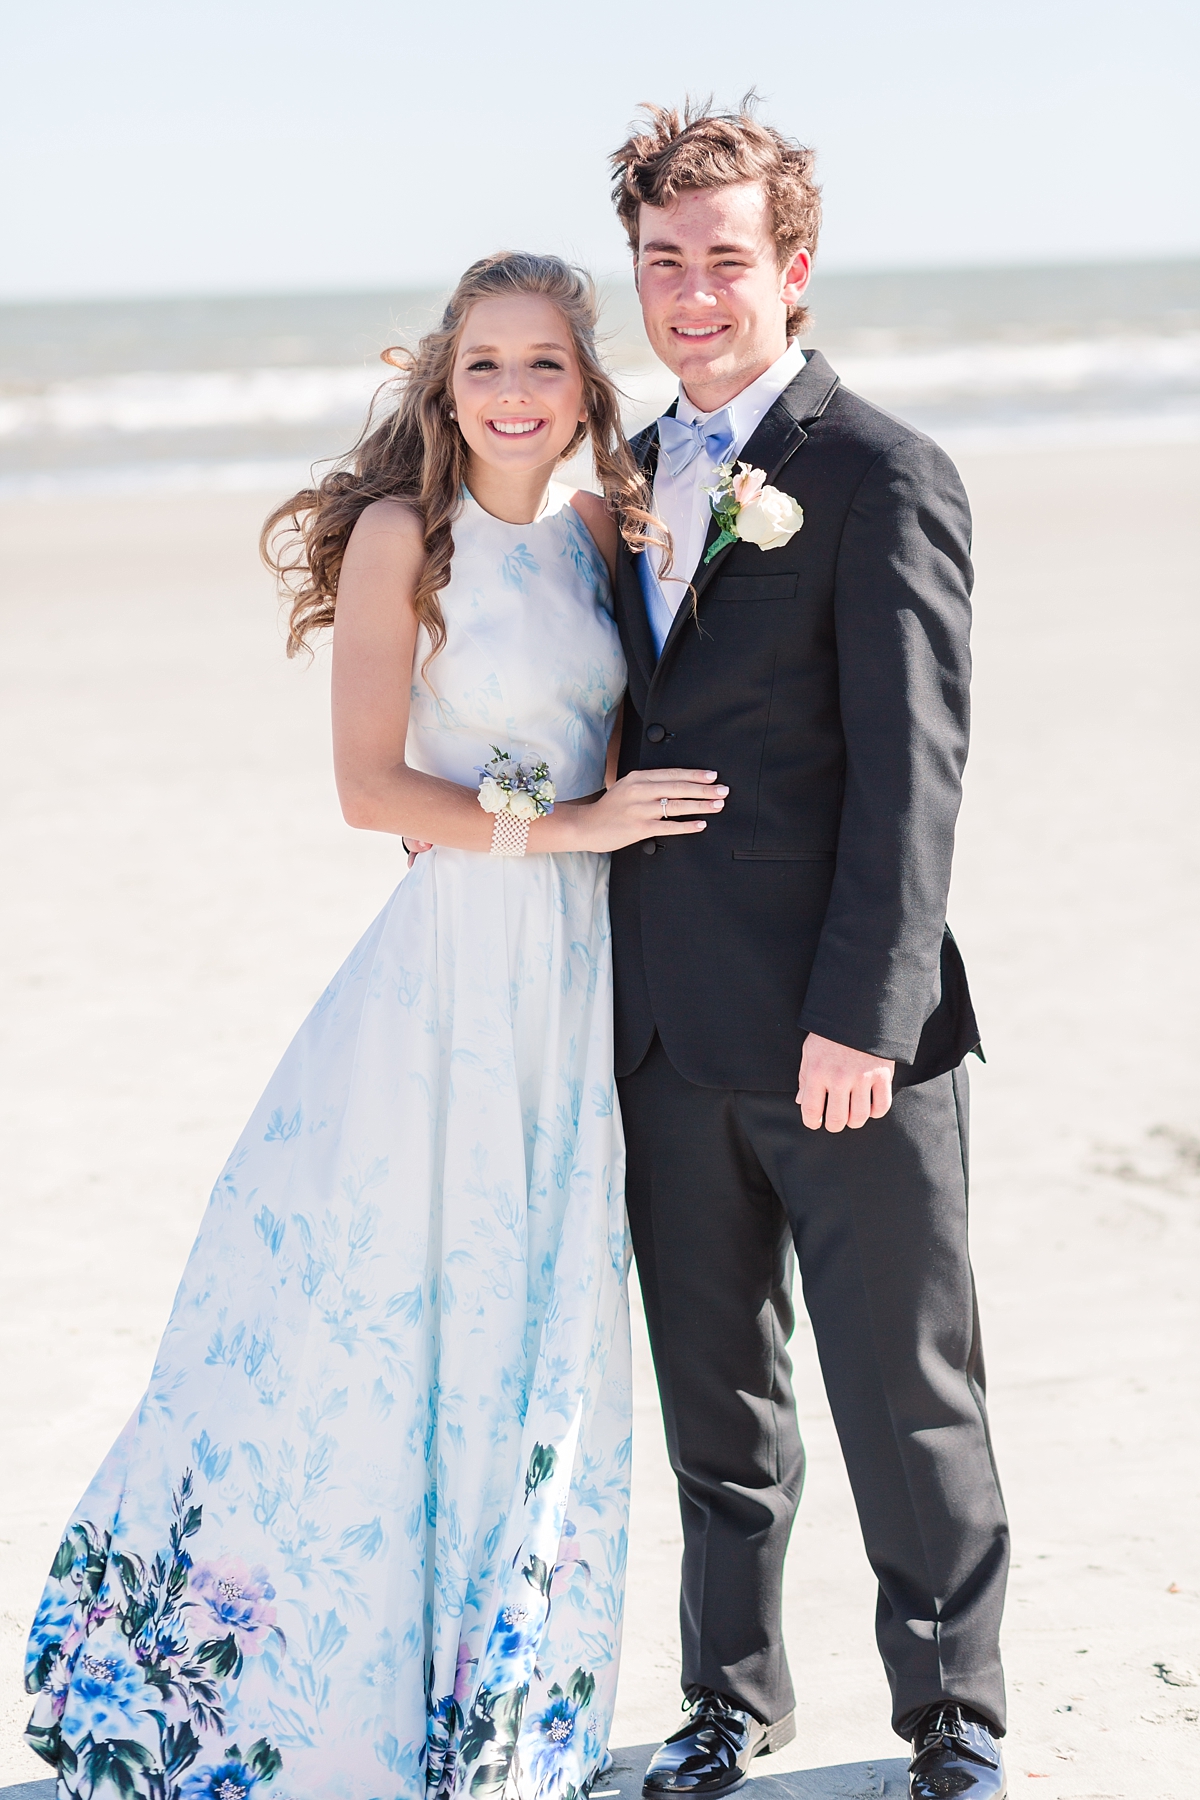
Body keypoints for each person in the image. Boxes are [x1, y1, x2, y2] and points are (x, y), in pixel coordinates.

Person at [23, 252, 722, 1800]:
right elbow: (368, 791)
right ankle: (317, 1682)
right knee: (395, 1302)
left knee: (535, 1315)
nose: (517, 392)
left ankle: (500, 1697)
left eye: (546, 363)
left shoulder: (611, 528)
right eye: (486, 363)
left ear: (586, 383)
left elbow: (637, 726)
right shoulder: (411, 533)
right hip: (455, 964)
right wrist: (571, 828)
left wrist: (607, 827)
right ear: (443, 382)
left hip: (581, 968)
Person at [605, 102, 1010, 1800]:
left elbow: (917, 773)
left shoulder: (883, 472)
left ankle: (956, 1719)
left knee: (904, 1395)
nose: (695, 294)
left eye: (726, 259)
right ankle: (729, 1701)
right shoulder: (613, 481)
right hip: (665, 1036)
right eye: (663, 263)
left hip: (852, 1035)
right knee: (720, 1409)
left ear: (794, 267)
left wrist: (863, 1016)